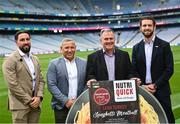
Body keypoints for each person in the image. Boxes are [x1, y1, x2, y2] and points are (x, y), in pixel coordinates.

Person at [132, 17, 175, 123]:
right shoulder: (136, 48)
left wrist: (155, 85)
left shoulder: (164, 45)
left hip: (161, 90)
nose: (147, 28)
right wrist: (142, 85)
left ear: (154, 27)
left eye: (149, 25)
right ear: (140, 28)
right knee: (146, 120)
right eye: (144, 25)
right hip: (143, 90)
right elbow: (134, 70)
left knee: (167, 118)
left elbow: (169, 69)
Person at [2, 30, 45, 123]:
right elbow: (12, 85)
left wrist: (39, 97)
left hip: (36, 104)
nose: (26, 42)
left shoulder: (35, 59)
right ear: (16, 42)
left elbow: (41, 80)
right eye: (22, 40)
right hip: (20, 106)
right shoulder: (10, 60)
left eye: (27, 39)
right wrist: (29, 100)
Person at [47, 38, 87, 123]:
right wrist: (66, 101)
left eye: (72, 47)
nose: (70, 50)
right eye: (66, 48)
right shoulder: (54, 64)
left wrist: (80, 100)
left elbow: (87, 83)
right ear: (61, 49)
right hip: (61, 106)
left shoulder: (84, 63)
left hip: (80, 105)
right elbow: (51, 85)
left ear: (75, 48)